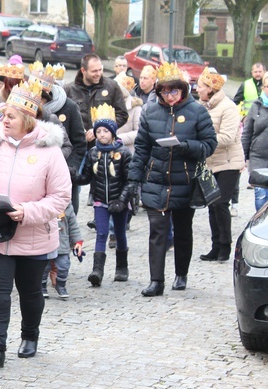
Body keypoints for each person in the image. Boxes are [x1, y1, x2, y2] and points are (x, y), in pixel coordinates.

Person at [0, 81, 71, 368]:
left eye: (11, 117)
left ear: (27, 120)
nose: (4, 121)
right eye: (3, 116)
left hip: (33, 235)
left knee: (29, 292)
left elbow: (60, 197)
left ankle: (30, 334)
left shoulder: (49, 151)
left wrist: (26, 212)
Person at [128, 62, 217, 296]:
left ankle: (181, 273)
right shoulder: (150, 112)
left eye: (173, 91)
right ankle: (156, 280)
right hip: (156, 180)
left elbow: (210, 145)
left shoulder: (197, 111)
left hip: (185, 181)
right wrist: (134, 180)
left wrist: (187, 147)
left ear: (183, 90)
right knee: (157, 231)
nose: (169, 96)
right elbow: (141, 149)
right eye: (165, 91)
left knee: (182, 229)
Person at [76, 104, 134, 286]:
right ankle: (97, 270)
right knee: (101, 233)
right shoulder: (93, 153)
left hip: (120, 201)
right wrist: (72, 175)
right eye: (98, 131)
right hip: (100, 200)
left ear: (113, 133)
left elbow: (131, 180)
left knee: (119, 233)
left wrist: (122, 200)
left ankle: (121, 268)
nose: (102, 135)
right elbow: (86, 176)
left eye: (105, 131)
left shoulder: (123, 153)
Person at [195, 68, 244, 262]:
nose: (197, 89)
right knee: (211, 205)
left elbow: (227, 137)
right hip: (210, 163)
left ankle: (226, 246)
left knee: (221, 203)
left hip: (228, 163)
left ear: (210, 88)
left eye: (200, 86)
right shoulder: (203, 106)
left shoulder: (228, 107)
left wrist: (203, 140)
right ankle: (215, 247)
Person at [29, 62, 86, 215]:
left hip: (64, 170)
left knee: (66, 216)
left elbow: (79, 143)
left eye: (41, 99)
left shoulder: (69, 107)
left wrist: (71, 168)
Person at [65, 53, 128, 150]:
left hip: (104, 147)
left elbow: (122, 115)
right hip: (78, 147)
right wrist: (78, 133)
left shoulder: (112, 86)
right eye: (94, 71)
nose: (98, 74)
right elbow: (64, 119)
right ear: (83, 71)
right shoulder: (69, 90)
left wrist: (100, 130)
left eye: (100, 70)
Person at [41, 203, 82, 299]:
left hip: (62, 244)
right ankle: (41, 286)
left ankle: (61, 285)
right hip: (45, 243)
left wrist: (77, 241)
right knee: (43, 267)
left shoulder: (67, 207)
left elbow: (73, 226)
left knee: (64, 265)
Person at [241, 74, 268, 212]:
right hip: (258, 157)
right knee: (261, 197)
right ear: (264, 87)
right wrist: (243, 157)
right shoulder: (256, 106)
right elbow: (247, 133)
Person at [115, 74, 143, 155]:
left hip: (127, 151)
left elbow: (139, 132)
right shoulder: (109, 105)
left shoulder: (136, 108)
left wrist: (118, 139)